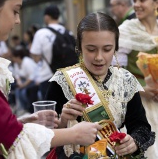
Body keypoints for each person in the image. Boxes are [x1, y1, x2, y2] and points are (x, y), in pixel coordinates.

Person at [0, 0, 103, 158]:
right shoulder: (66, 32)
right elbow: (13, 137)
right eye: (15, 11)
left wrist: (22, 122)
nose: (18, 20)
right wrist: (75, 134)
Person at [45, 12, 155, 158]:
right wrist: (64, 120)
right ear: (79, 47)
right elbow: (43, 136)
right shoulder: (63, 81)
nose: (99, 57)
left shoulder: (125, 80)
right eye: (91, 49)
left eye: (107, 49)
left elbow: (141, 127)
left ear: (116, 47)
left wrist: (133, 142)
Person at [112, 0, 158, 158]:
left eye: (142, 0)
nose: (136, 5)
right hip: (140, 103)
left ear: (156, 3)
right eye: (134, 0)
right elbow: (116, 72)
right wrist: (141, 90)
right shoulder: (126, 30)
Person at [30, 4, 77, 99]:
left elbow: (36, 58)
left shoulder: (41, 33)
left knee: (50, 109)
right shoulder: (68, 32)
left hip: (47, 77)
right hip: (67, 78)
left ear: (47, 17)